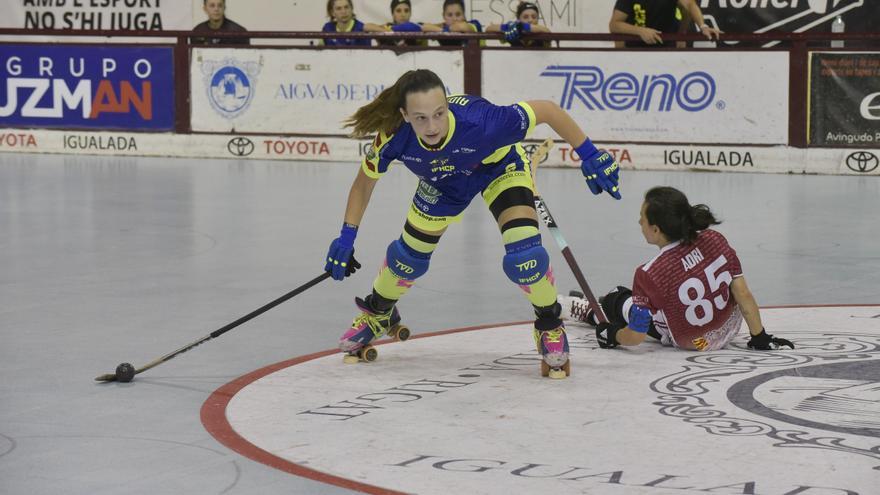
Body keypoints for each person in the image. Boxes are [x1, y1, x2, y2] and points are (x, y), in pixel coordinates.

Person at [323, 69, 621, 378]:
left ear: (448, 107)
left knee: (526, 258)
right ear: (404, 115)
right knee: (406, 259)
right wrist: (346, 237)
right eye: (421, 118)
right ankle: (379, 311)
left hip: (499, 168)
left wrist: (589, 154)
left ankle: (549, 323)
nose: (433, 126)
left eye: (439, 114)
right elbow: (363, 184)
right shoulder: (394, 135)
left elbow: (548, 110)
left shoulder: (483, 122)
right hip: (444, 184)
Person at [561, 186, 794, 352]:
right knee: (652, 300)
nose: (639, 222)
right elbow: (742, 294)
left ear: (656, 229)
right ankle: (602, 306)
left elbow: (636, 337)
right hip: (729, 330)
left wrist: (611, 335)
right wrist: (759, 337)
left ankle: (592, 311)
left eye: (642, 218)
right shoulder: (714, 238)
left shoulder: (649, 272)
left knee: (618, 298)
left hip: (697, 344)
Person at [608, 0, 721, 47]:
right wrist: (641, 31)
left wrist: (703, 26)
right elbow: (614, 24)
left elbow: (690, 4)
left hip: (667, 49)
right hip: (635, 51)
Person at [378, 0, 443, 48]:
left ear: (410, 13)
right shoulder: (387, 27)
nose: (403, 14)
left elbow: (442, 26)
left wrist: (443, 29)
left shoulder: (419, 26)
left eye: (406, 11)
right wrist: (389, 30)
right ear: (393, 14)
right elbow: (369, 27)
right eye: (398, 11)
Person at [322, 0, 387, 47]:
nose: (344, 11)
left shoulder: (363, 28)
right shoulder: (327, 28)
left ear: (351, 9)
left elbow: (387, 32)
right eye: (339, 8)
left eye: (346, 7)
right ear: (332, 13)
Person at [487, 2, 552, 48]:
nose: (530, 20)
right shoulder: (513, 29)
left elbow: (547, 31)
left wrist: (524, 27)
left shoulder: (541, 31)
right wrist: (507, 27)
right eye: (525, 17)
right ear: (518, 19)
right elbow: (488, 29)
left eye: (534, 17)